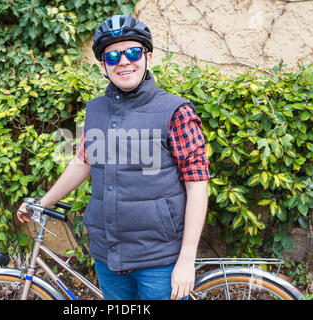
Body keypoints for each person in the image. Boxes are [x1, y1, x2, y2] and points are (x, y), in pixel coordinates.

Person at [17, 15, 210, 300]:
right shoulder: (96, 110)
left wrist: (186, 259)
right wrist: (41, 203)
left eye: (133, 52)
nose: (124, 61)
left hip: (160, 259)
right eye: (112, 56)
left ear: (149, 58)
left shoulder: (176, 111)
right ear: (103, 66)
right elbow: (82, 161)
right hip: (108, 255)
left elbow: (197, 186)